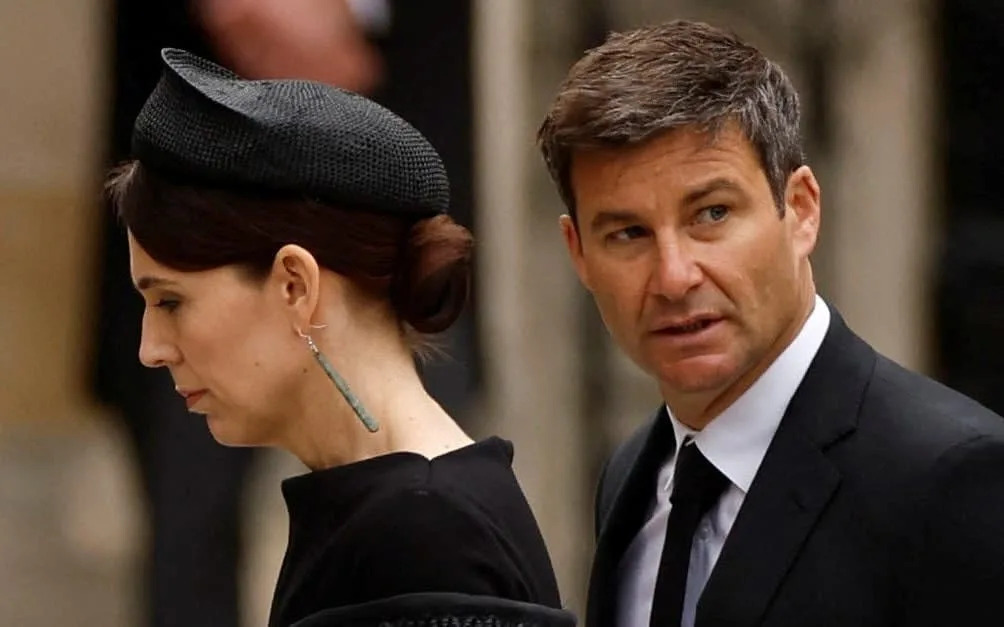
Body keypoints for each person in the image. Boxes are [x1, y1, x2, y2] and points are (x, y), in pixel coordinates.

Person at [537, 19, 1004, 627]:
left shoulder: (950, 480)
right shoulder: (634, 476)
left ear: (802, 210)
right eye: (628, 233)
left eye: (711, 213)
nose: (675, 277)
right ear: (579, 253)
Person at [106, 48, 576, 627]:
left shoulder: (423, 529)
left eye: (171, 301)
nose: (151, 348)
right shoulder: (386, 504)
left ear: (295, 286)